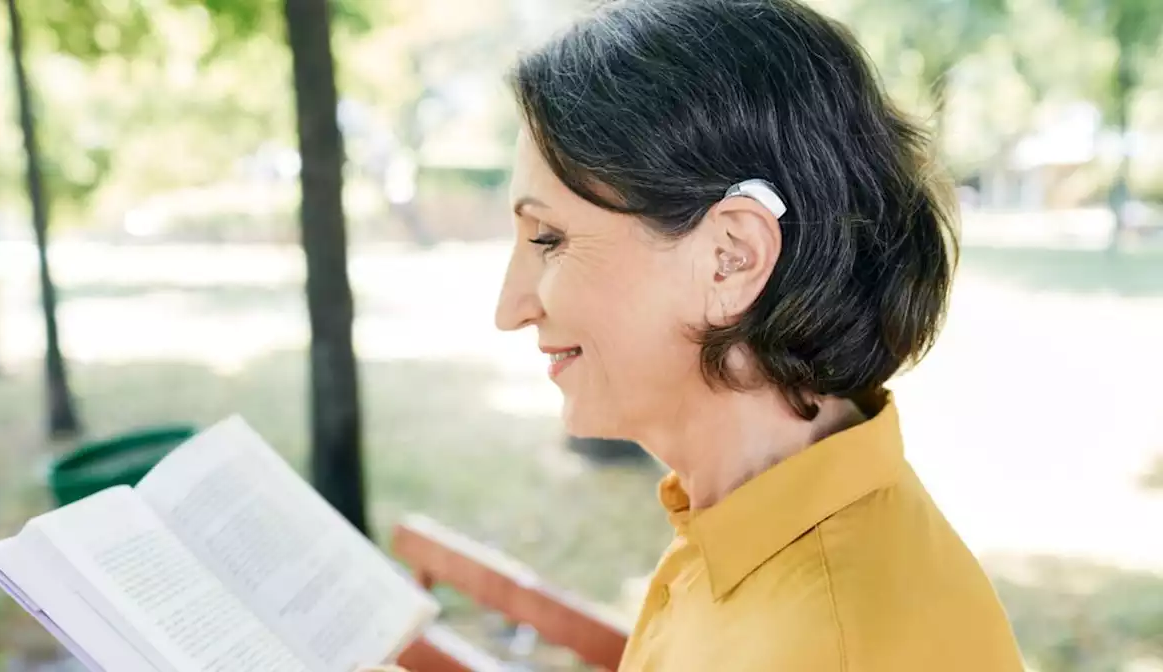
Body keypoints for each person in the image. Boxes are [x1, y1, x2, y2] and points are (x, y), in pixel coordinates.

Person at [371, 0, 1025, 670]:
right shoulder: (748, 526)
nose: (509, 309)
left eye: (550, 239)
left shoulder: (828, 644)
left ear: (731, 256)